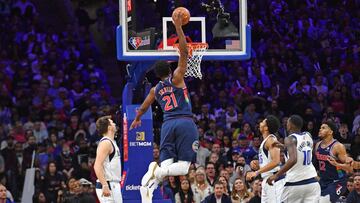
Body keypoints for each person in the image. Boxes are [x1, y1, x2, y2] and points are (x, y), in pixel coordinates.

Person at [129, 10, 199, 198]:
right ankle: (157, 172)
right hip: (184, 121)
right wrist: (178, 28)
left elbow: (144, 107)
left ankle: (150, 185)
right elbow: (184, 51)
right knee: (183, 168)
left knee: (167, 163)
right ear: (170, 68)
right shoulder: (177, 78)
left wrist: (136, 119)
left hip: (167, 125)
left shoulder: (155, 89)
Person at [267, 115, 320, 203]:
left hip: (295, 183)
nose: (286, 124)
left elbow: (293, 159)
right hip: (312, 183)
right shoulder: (308, 135)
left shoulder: (289, 139)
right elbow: (302, 150)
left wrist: (276, 175)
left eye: (287, 122)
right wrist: (284, 147)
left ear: (291, 125)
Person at [246, 115, 284, 202]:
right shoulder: (266, 140)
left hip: (274, 179)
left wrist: (256, 172)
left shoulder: (271, 140)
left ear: (266, 127)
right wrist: (259, 164)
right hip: (266, 179)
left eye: (263, 121)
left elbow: (276, 161)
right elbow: (270, 161)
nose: (260, 123)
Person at [314, 120, 353, 202]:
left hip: (338, 182)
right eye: (320, 128)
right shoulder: (317, 145)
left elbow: (350, 169)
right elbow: (315, 165)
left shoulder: (337, 146)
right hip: (323, 181)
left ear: (330, 132)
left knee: (325, 201)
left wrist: (337, 164)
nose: (320, 129)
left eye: (323, 128)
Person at [94, 116, 122, 203]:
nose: (114, 124)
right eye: (112, 122)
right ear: (109, 127)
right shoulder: (106, 143)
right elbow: (97, 165)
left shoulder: (112, 142)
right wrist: (105, 185)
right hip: (108, 184)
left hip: (113, 184)